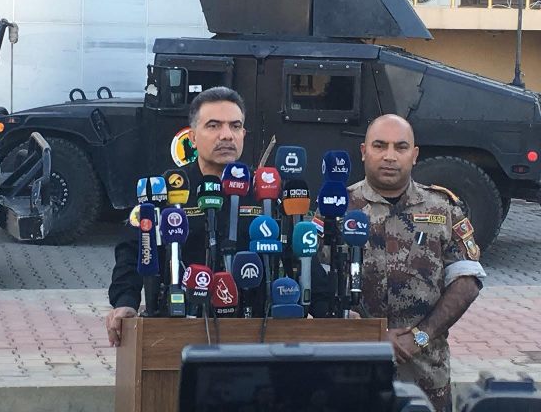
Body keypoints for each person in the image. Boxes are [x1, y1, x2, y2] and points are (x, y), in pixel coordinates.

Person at [106, 87, 327, 347]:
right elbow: (133, 251)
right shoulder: (167, 190)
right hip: (180, 328)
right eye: (213, 126)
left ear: (243, 134)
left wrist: (330, 309)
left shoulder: (266, 192)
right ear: (192, 138)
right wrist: (125, 302)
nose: (226, 135)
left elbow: (301, 253)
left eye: (235, 126)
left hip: (258, 330)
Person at [346, 114, 486, 411]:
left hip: (425, 372)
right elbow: (314, 281)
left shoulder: (443, 207)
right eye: (380, 146)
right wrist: (371, 334)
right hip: (354, 367)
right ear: (363, 151)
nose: (390, 156)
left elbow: (467, 280)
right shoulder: (338, 208)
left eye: (400, 147)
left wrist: (421, 336)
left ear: (415, 154)